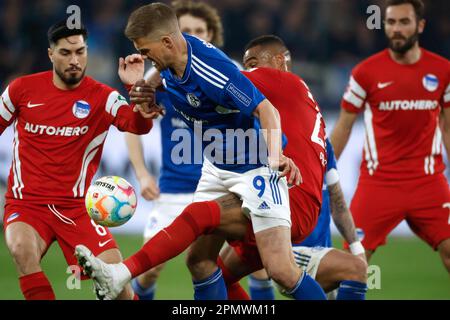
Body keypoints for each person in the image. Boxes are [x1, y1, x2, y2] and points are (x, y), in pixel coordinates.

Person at [75, 2, 327, 301]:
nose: (145, 57)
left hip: (252, 168)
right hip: (217, 167)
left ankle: (120, 273)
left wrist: (275, 155)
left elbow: (266, 109)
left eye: (146, 51)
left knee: (281, 271)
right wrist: (142, 88)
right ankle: (121, 274)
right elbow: (154, 85)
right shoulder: (170, 61)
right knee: (199, 261)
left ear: (167, 42)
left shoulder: (214, 72)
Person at [0, 21, 153, 300]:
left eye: (80, 52)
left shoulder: (104, 97)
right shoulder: (21, 90)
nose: (74, 60)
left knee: (118, 286)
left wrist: (136, 90)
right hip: (27, 204)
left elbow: (138, 126)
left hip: (77, 208)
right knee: (22, 250)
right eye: (65, 53)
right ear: (50, 54)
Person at [215, 35, 367, 301]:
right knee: (355, 270)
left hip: (309, 244)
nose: (247, 71)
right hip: (286, 239)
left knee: (212, 272)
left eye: (252, 64)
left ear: (279, 62)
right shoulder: (280, 127)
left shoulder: (311, 131)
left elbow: (338, 201)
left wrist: (356, 245)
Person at [330, 0, 450, 273]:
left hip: (428, 183)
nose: (396, 29)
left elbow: (447, 128)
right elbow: (345, 125)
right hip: (379, 184)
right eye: (391, 22)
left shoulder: (442, 71)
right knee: (351, 266)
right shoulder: (366, 73)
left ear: (419, 26)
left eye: (404, 22)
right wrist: (323, 170)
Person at [125, 0, 232, 300]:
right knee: (149, 269)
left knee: (250, 266)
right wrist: (143, 174)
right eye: (187, 30)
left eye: (200, 30)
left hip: (222, 188)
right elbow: (131, 124)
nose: (194, 35)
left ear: (211, 34)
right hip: (174, 189)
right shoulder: (160, 78)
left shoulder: (228, 74)